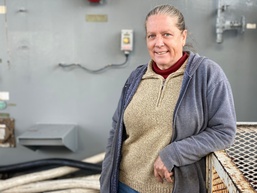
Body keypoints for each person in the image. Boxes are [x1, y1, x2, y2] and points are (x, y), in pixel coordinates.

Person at [100, 4, 237, 193]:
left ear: (183, 36)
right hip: (124, 184)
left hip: (172, 188)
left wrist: (175, 153)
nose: (158, 43)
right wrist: (106, 179)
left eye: (167, 34)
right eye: (152, 36)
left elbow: (224, 131)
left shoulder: (206, 74)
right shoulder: (136, 77)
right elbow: (116, 131)